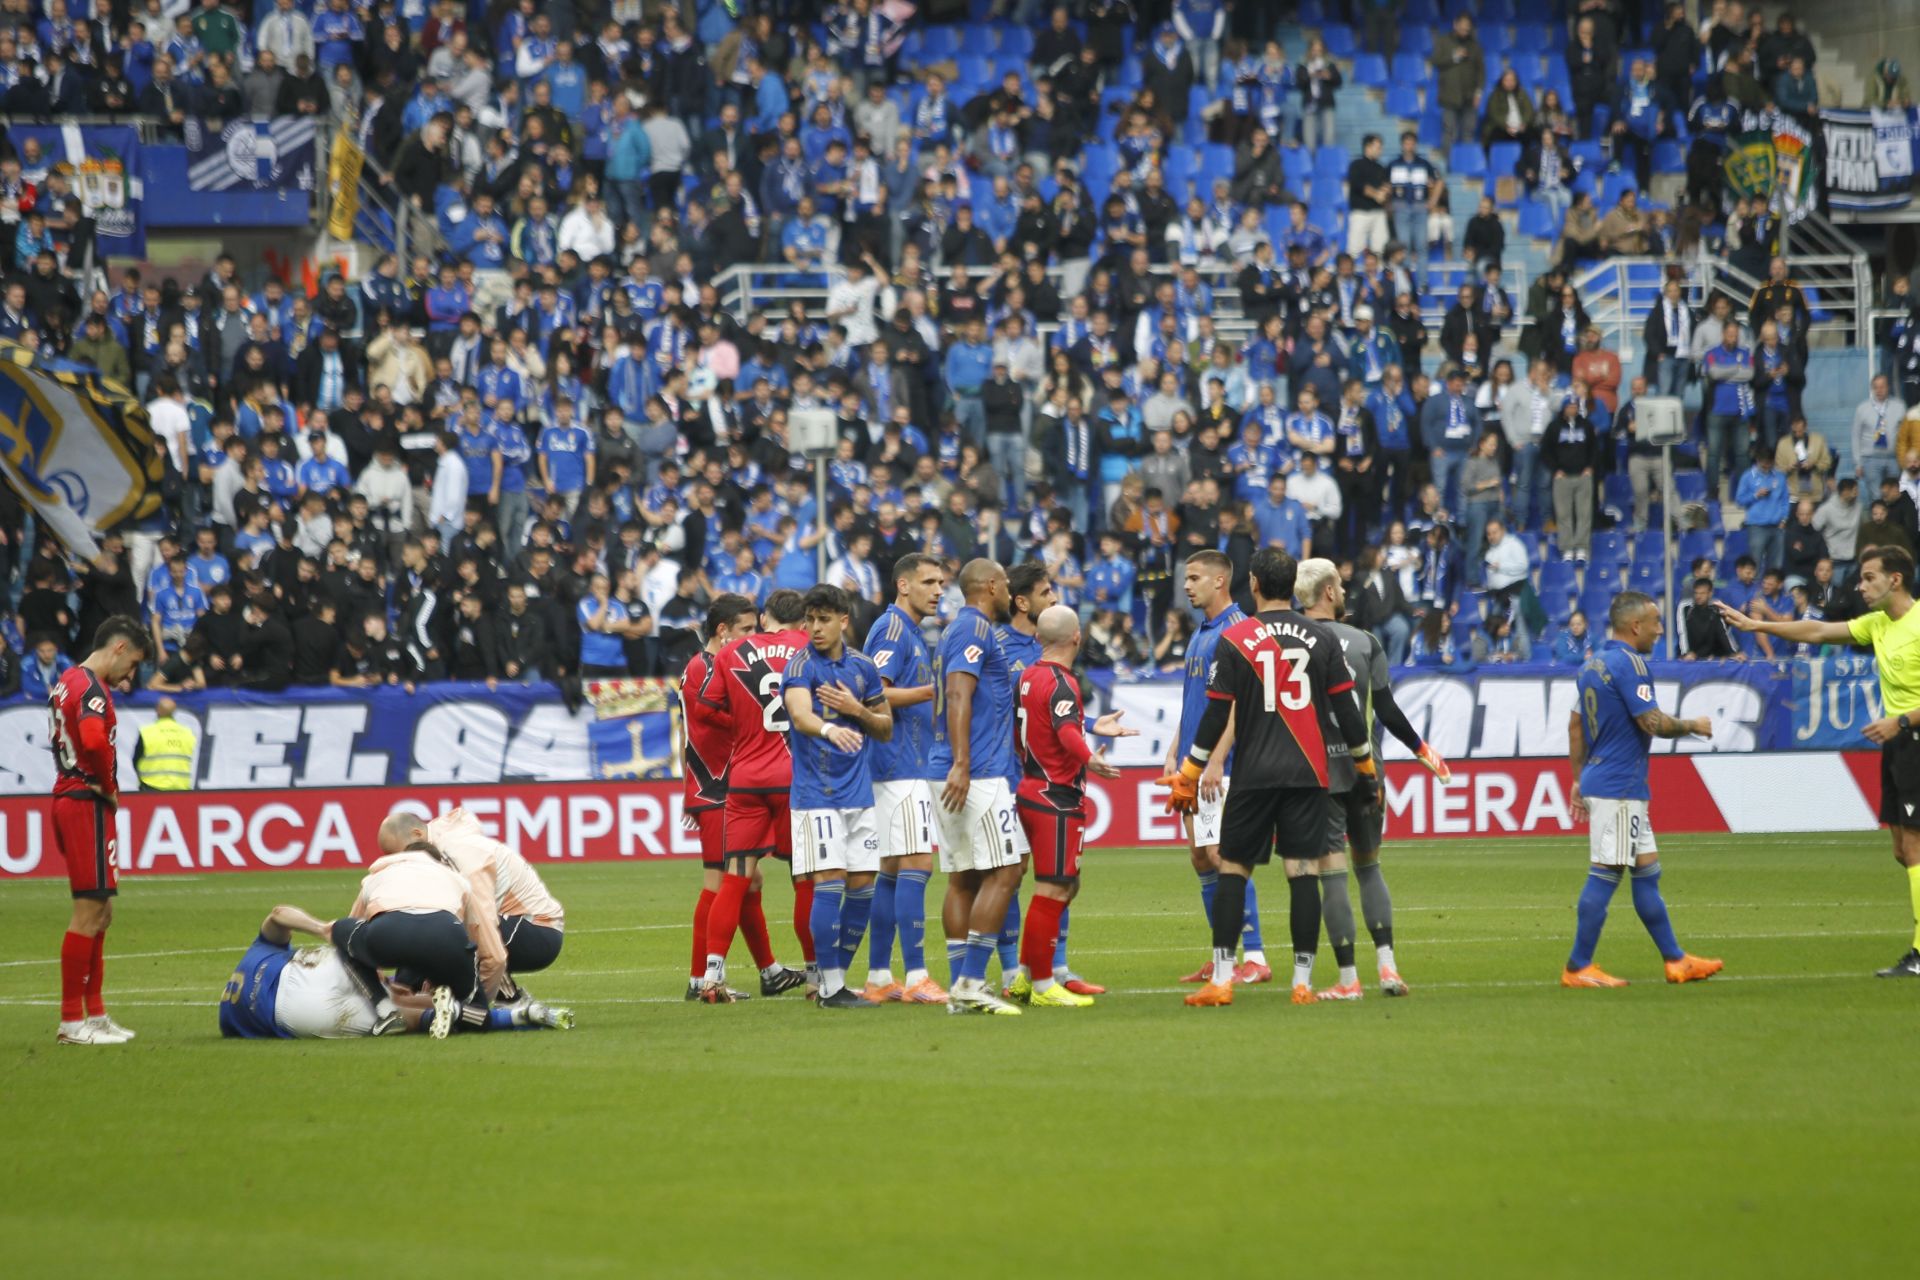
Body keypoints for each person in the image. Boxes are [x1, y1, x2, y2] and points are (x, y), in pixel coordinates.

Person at [1160, 547, 1379, 1008]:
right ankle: (1302, 982)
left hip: (1255, 773)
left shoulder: (1239, 637)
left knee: (1234, 868)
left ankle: (1222, 977)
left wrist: (1192, 768)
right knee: (1301, 873)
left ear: (1254, 585)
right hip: (1307, 775)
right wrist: (1365, 767)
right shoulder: (1321, 639)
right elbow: (1347, 710)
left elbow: (1218, 713)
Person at [1717, 547, 1920, 977]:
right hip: (1898, 742)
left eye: (1868, 578)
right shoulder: (1879, 623)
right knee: (1903, 852)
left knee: (1916, 848)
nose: (1860, 587)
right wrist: (1759, 624)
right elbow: (1820, 632)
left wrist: (1901, 720)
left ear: (1895, 580)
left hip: (1912, 737)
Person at [1295, 558, 1450, 998]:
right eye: (1341, 587)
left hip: (1317, 771)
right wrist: (1421, 748)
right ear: (1328, 592)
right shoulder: (1364, 641)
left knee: (1332, 874)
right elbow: (1384, 708)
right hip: (1367, 768)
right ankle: (1388, 968)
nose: (1346, 592)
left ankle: (1348, 981)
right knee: (1369, 866)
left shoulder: (1290, 642)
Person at [1563, 591, 1722, 988]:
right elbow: (1651, 722)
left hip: (1613, 781)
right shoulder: (1631, 664)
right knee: (1607, 871)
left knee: (1647, 872)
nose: (1660, 629)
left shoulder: (1592, 665)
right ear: (1636, 626)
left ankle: (1675, 960)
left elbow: (1575, 725)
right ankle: (1578, 966)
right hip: (1619, 785)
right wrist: (1692, 725)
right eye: (1655, 621)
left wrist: (1579, 779)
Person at [1010, 604, 1136, 1007]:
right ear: (1077, 637)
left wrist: (1091, 727)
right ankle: (1044, 985)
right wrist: (1090, 757)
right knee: (1053, 887)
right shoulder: (1065, 684)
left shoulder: (1027, 677)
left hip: (1030, 785)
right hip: (1055, 795)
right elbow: (1065, 732)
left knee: (1065, 884)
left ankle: (1028, 977)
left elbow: (1039, 728)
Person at [682, 594, 804, 1001]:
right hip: (718, 783)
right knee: (722, 881)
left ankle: (767, 970)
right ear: (724, 630)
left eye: (757, 627)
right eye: (747, 629)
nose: (756, 636)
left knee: (747, 879)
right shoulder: (705, 665)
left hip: (737, 778)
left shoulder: (723, 660)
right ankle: (701, 977)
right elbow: (704, 718)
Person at [781, 583, 893, 1010]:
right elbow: (799, 714)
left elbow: (885, 727)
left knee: (863, 885)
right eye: (809, 620)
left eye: (823, 619)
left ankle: (837, 980)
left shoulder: (862, 668)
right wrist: (830, 728)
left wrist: (857, 711)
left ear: (843, 621)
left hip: (858, 795)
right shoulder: (800, 666)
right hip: (815, 797)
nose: (814, 628)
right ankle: (828, 987)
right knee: (829, 882)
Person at [219, 904, 573, 1038]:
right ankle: (503, 1014)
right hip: (308, 977)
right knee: (402, 1000)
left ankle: (519, 1016)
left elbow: (278, 914)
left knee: (405, 1009)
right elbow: (279, 914)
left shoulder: (229, 1010)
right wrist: (325, 928)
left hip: (289, 1014)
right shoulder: (261, 950)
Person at [995, 561, 1099, 996]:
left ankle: (1054, 968)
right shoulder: (997, 648)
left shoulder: (1044, 662)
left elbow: (1054, 716)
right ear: (1022, 602)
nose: (1054, 598)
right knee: (1015, 875)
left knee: (1059, 876)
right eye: (1045, 593)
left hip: (1034, 774)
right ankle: (1013, 971)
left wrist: (1091, 724)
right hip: (1008, 775)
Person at [930, 558, 1025, 1016]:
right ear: (991, 585)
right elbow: (958, 694)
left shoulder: (955, 630)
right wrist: (963, 763)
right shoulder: (975, 629)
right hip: (977, 769)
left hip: (958, 767)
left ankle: (961, 985)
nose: (1009, 592)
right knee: (1007, 871)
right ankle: (969, 982)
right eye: (1006, 585)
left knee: (965, 876)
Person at [1170, 551, 1271, 984]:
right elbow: (1195, 700)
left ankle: (1256, 957)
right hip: (1193, 764)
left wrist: (1214, 758)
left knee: (1221, 855)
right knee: (1200, 857)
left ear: (1221, 581)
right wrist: (1175, 750)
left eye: (1195, 578)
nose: (1187, 585)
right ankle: (1221, 951)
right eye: (1186, 578)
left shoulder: (1236, 630)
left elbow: (1238, 704)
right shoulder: (1202, 632)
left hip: (1222, 767)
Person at [47, 616, 149, 1046]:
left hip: (73, 799)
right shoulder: (91, 689)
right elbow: (91, 740)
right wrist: (108, 789)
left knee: (102, 912)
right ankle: (72, 1021)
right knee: (88, 913)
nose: (131, 677)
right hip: (85, 802)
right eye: (133, 665)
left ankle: (97, 1012)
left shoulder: (66, 680)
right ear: (120, 648)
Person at [859, 554, 951, 1005]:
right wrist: (933, 691)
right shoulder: (893, 629)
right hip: (896, 764)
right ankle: (916, 976)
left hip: (903, 761)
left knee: (894, 869)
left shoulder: (911, 630)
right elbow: (872, 690)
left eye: (941, 583)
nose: (938, 590)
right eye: (929, 582)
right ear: (903, 585)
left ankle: (879, 977)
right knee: (918, 865)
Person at [374, 806, 568, 1005]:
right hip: (510, 921)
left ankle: (510, 999)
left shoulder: (464, 861)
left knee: (460, 935)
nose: (402, 863)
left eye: (401, 853)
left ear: (417, 834)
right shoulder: (435, 841)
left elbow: (492, 952)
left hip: (537, 929)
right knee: (432, 941)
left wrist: (474, 1007)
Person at [329, 837, 514, 1031]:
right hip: (446, 935)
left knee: (342, 934)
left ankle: (385, 1009)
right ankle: (460, 1011)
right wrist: (478, 993)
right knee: (477, 1012)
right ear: (439, 863)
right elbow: (486, 948)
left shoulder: (376, 877)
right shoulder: (459, 880)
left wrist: (380, 982)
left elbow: (355, 934)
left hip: (388, 934)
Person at [134, 695, 195, 791]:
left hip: (151, 786)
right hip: (181, 787)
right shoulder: (187, 732)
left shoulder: (147, 732)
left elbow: (136, 760)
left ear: (157, 710)